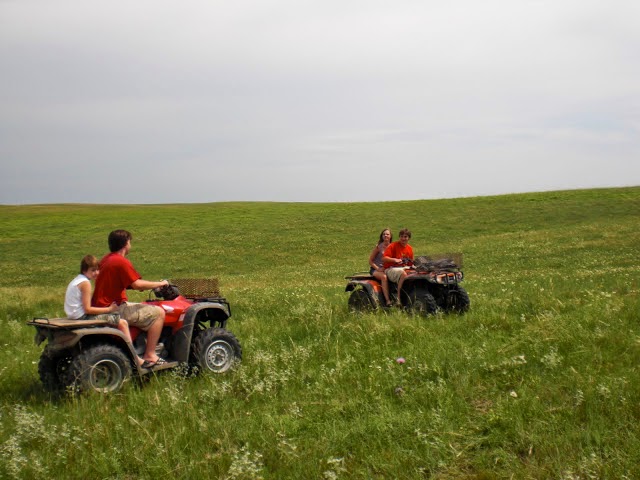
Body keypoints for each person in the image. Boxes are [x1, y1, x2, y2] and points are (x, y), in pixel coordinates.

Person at [92, 230, 169, 368]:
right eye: (130, 242)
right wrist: (160, 284)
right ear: (125, 244)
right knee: (159, 313)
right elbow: (137, 284)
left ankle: (140, 345)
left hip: (100, 306)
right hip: (114, 308)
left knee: (141, 307)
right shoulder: (120, 261)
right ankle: (150, 354)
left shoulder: (106, 259)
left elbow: (122, 283)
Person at [64, 255, 144, 367]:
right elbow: (88, 309)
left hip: (73, 315)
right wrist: (109, 309)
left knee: (112, 318)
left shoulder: (77, 280)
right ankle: (135, 358)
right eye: (93, 270)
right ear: (84, 270)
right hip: (82, 317)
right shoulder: (85, 284)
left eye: (97, 269)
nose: (96, 273)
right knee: (122, 323)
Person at [382, 228, 414, 304]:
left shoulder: (409, 248)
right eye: (401, 236)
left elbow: (411, 262)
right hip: (390, 268)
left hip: (402, 268)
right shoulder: (393, 245)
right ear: (399, 237)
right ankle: (398, 298)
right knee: (403, 273)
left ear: (409, 238)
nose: (403, 238)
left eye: (405, 237)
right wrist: (394, 260)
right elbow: (384, 258)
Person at [369, 228, 393, 307]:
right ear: (382, 236)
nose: (385, 235)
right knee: (384, 277)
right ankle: (387, 300)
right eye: (384, 234)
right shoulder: (378, 247)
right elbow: (370, 261)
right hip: (376, 269)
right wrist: (378, 268)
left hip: (387, 269)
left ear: (390, 236)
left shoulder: (393, 246)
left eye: (387, 234)